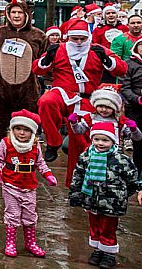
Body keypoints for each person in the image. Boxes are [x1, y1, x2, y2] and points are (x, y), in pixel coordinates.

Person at [33, 19, 126, 186]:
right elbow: (37, 69)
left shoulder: (97, 50)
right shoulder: (59, 50)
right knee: (46, 102)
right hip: (62, 92)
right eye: (74, 38)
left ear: (88, 38)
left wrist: (107, 59)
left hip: (87, 99)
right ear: (68, 37)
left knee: (80, 142)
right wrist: (47, 59)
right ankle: (53, 142)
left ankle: (77, 183)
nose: (78, 42)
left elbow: (122, 69)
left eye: (82, 39)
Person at [69, 122, 139, 269]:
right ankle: (98, 249)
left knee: (108, 227)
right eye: (97, 139)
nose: (100, 143)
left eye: (105, 140)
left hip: (112, 201)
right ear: (92, 139)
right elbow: (78, 174)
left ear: (113, 141)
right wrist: (75, 192)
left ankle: (109, 253)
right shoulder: (86, 156)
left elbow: (132, 179)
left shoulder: (121, 160)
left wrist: (123, 194)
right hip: (91, 198)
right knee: (94, 225)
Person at [0, 110, 57, 258]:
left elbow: (40, 163)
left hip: (29, 187)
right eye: (18, 129)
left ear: (32, 132)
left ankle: (30, 242)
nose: (22, 133)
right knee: (13, 215)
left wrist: (48, 175)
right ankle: (11, 242)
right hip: (11, 185)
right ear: (12, 129)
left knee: (30, 215)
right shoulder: (6, 143)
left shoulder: (34, 145)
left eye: (26, 130)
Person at [0, 0, 47, 142]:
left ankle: (30, 157)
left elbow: (46, 62)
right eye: (13, 12)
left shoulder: (39, 36)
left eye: (20, 12)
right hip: (2, 89)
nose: (16, 16)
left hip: (29, 89)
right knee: (3, 126)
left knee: (28, 125)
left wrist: (47, 86)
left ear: (27, 14)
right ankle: (2, 156)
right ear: (8, 14)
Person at [69, 86, 142, 145]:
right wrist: (74, 123)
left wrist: (134, 130)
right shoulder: (90, 118)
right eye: (100, 106)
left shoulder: (120, 121)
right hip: (94, 153)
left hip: (114, 155)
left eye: (108, 107)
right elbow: (79, 131)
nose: (103, 109)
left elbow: (137, 138)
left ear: (114, 108)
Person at [120, 38, 142, 176]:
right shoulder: (129, 64)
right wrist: (137, 98)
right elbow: (125, 87)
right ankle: (138, 173)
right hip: (136, 108)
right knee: (139, 142)